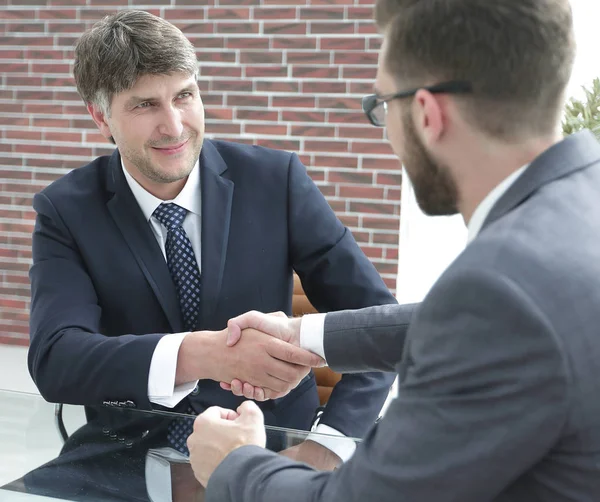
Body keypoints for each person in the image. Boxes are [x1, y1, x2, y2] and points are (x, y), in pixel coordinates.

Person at [186, 0, 600, 500]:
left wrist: (234, 463)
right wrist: (304, 334)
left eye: (381, 106)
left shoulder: (498, 284)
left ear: (427, 113)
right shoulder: (581, 203)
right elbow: (486, 323)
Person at [27, 9, 398, 468]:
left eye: (184, 95)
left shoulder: (276, 181)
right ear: (101, 117)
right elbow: (55, 359)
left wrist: (329, 445)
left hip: (274, 454)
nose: (175, 126)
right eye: (145, 105)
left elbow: (380, 328)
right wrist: (201, 354)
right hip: (128, 459)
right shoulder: (65, 210)